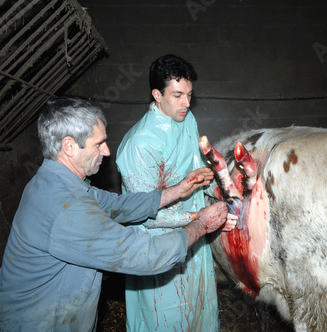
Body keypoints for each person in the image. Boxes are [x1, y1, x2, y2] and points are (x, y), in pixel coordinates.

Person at [0, 97, 229, 332]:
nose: (106, 151)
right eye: (98, 143)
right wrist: (200, 225)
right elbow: (146, 256)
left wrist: (177, 190)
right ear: (69, 146)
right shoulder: (66, 208)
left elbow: (117, 205)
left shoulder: (56, 181)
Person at [116, 54, 235, 331]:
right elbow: (145, 216)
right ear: (157, 94)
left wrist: (210, 185)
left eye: (190, 95)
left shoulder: (187, 119)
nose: (187, 104)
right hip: (158, 245)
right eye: (178, 95)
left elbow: (194, 172)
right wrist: (200, 218)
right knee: (164, 316)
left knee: (198, 306)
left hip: (194, 234)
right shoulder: (139, 145)